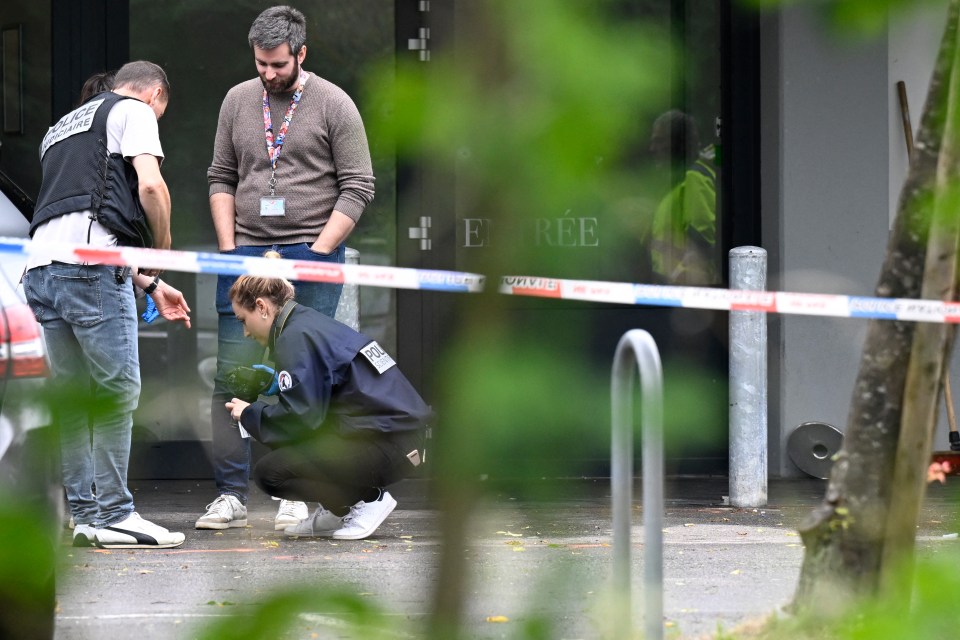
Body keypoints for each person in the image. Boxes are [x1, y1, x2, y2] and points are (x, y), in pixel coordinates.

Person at [200, 4, 375, 531]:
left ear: (302, 53)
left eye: (278, 64)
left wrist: (319, 255)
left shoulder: (334, 103)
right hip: (245, 253)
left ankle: (296, 494)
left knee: (300, 380)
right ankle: (230, 495)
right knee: (232, 375)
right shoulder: (236, 99)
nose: (268, 74)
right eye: (260, 64)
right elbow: (221, 176)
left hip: (309, 252)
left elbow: (358, 186)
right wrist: (230, 252)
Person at [24, 60, 191, 549]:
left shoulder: (60, 129)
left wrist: (148, 284)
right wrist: (162, 247)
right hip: (89, 273)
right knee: (118, 391)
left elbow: (77, 218)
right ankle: (118, 513)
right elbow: (151, 186)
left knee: (75, 401)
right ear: (155, 93)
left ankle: (86, 517)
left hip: (41, 273)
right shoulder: (133, 109)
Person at [224, 261, 430, 540]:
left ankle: (368, 500)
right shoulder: (306, 324)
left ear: (261, 307)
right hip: (399, 439)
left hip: (391, 445)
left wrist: (250, 413)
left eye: (242, 320)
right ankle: (339, 510)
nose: (245, 332)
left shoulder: (293, 337)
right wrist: (280, 384)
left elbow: (301, 420)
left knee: (270, 473)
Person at [646, 110, 719, 285]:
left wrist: (674, 279)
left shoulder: (694, 178)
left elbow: (701, 245)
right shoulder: (675, 183)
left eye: (659, 140)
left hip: (682, 294)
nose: (652, 148)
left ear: (678, 143)